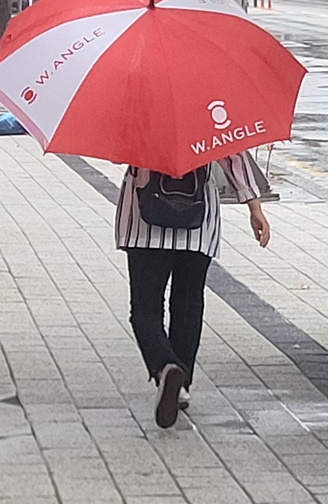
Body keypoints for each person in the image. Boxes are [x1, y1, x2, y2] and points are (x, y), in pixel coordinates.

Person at [116, 153, 270, 428]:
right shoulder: (207, 109)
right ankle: (182, 383)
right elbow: (233, 154)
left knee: (144, 309)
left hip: (144, 219)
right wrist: (254, 207)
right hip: (198, 219)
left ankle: (165, 368)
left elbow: (119, 153)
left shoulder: (136, 111)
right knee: (188, 304)